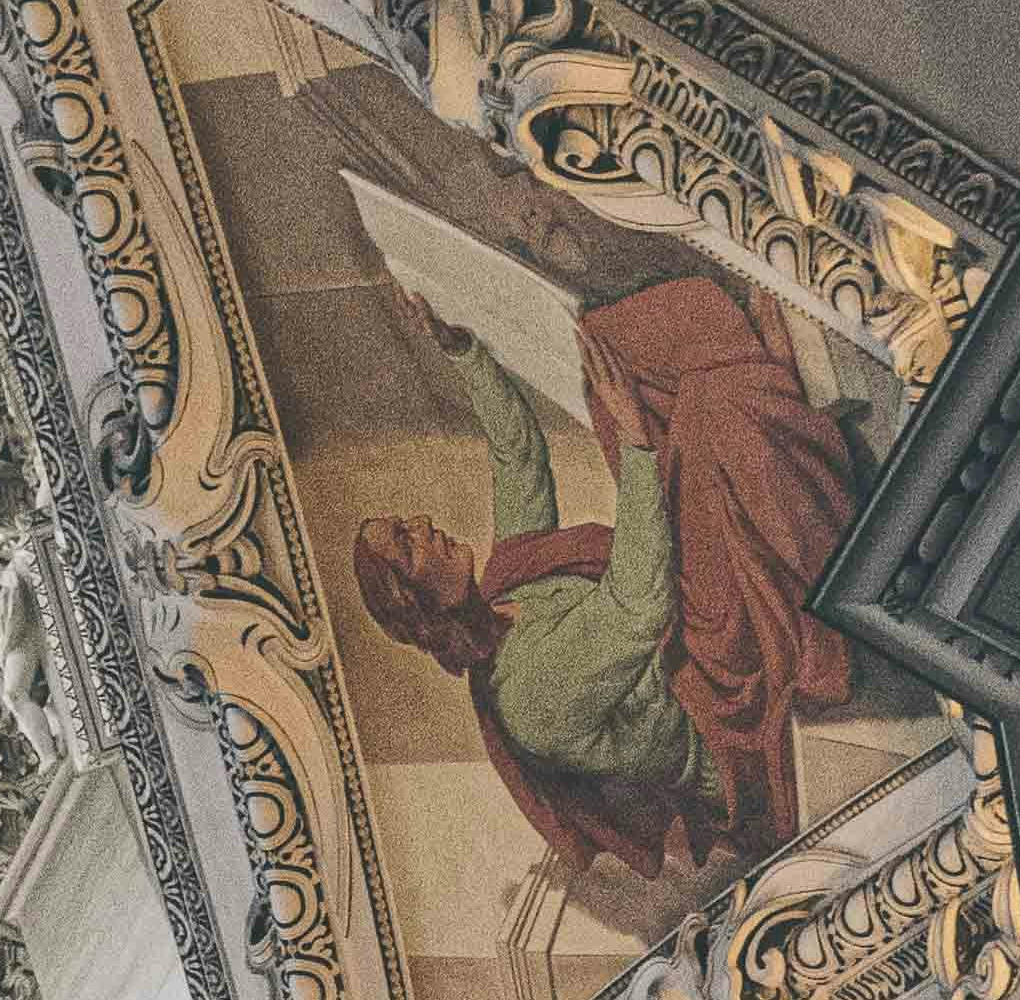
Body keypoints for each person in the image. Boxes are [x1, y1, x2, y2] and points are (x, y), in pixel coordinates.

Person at [351, 265, 870, 907]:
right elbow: (640, 605)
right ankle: (778, 398)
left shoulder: (506, 590)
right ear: (417, 602)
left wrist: (460, 348)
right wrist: (634, 440)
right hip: (719, 700)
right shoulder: (527, 694)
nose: (425, 526)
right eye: (408, 542)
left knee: (613, 349)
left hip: (680, 624)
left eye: (407, 524)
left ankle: (765, 379)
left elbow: (518, 454)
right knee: (704, 415)